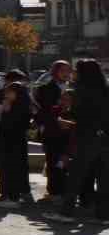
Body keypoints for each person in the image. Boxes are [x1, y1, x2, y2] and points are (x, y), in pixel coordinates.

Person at [48, 58, 108, 222]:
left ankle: (66, 212)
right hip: (104, 139)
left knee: (75, 175)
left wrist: (66, 119)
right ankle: (103, 214)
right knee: (103, 178)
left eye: (76, 70)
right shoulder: (104, 89)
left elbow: (80, 115)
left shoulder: (81, 90)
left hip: (87, 138)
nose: (74, 73)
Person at [35, 60, 72, 202]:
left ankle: (67, 193)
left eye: (68, 70)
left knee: (67, 163)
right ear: (55, 71)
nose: (67, 73)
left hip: (71, 131)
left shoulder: (73, 88)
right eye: (63, 70)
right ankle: (54, 192)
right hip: (53, 132)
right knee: (53, 162)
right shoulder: (46, 89)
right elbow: (41, 111)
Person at [0, 70, 34, 208]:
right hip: (14, 138)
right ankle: (18, 193)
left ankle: (12, 196)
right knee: (15, 166)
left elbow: (9, 121)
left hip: (11, 138)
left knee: (11, 167)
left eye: (8, 91)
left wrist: (7, 106)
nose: (6, 93)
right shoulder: (20, 100)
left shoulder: (18, 104)